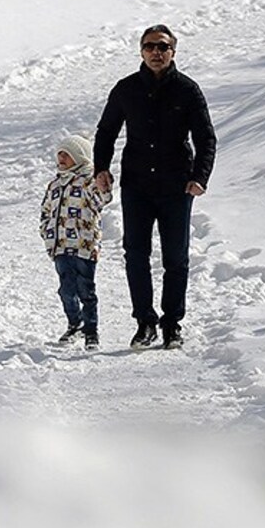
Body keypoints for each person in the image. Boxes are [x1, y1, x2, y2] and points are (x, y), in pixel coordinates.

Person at [94, 24, 216, 350]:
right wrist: (101, 168)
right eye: (149, 47)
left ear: (173, 52)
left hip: (177, 185)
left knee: (176, 258)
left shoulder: (188, 90)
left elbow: (206, 138)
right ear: (141, 51)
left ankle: (172, 324)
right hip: (137, 185)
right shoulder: (126, 89)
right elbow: (106, 131)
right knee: (136, 254)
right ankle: (144, 323)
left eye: (163, 47)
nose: (156, 53)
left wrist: (200, 177)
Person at [39, 134, 113, 351]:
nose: (61, 158)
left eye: (67, 154)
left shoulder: (88, 182)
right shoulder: (54, 184)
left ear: (79, 157)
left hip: (84, 247)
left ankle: (91, 330)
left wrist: (104, 187)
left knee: (86, 290)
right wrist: (46, 232)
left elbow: (102, 199)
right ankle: (75, 323)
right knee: (66, 290)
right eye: (59, 154)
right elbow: (46, 211)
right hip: (60, 247)